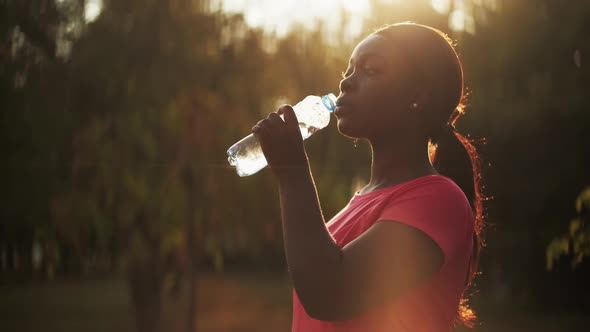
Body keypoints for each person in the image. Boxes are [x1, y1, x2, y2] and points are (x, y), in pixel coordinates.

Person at [251, 22, 486, 332]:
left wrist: (293, 171)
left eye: (371, 70)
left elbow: (329, 293)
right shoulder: (362, 201)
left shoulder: (440, 201)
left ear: (417, 94)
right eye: (348, 71)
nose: (346, 83)